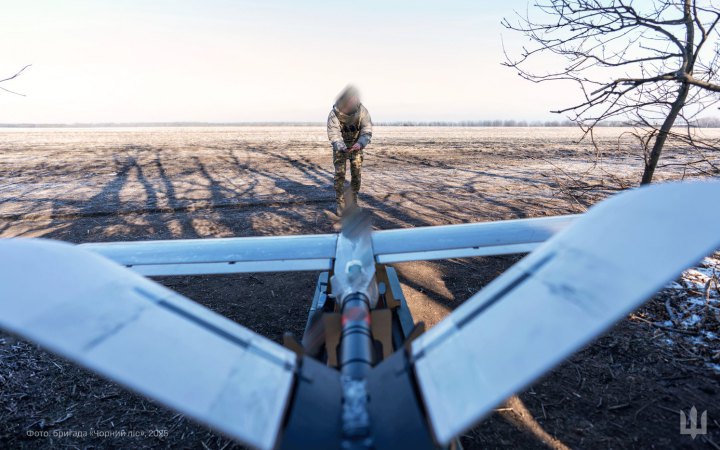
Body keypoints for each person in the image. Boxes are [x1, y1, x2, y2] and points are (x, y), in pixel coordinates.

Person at [327, 85, 372, 215]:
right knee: (339, 175)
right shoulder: (334, 113)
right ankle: (340, 205)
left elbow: (367, 130)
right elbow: (334, 133)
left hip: (356, 146)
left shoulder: (363, 112)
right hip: (340, 147)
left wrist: (360, 144)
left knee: (356, 175)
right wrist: (340, 146)